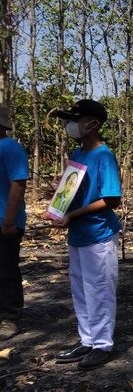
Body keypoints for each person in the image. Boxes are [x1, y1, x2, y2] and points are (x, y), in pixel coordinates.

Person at [44, 99, 121, 370]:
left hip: (99, 234)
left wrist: (72, 215)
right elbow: (72, 190)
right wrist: (58, 196)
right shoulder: (77, 155)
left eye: (75, 120)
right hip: (78, 235)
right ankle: (87, 339)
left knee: (99, 290)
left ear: (93, 124)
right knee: (80, 288)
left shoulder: (103, 155)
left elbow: (111, 198)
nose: (70, 126)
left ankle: (102, 345)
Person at [0, 103, 28, 341]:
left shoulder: (10, 148)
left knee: (6, 269)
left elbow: (18, 184)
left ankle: (10, 317)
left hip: (5, 223)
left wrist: (9, 220)